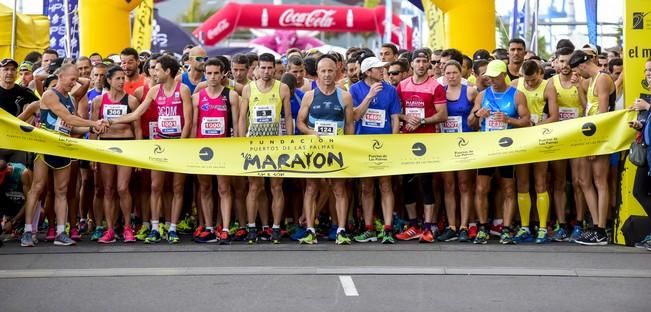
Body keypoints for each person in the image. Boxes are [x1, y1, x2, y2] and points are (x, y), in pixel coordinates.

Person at [20, 64, 109, 247]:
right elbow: (69, 119)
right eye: (72, 79)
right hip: (46, 148)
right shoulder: (50, 95)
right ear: (61, 76)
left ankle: (61, 231)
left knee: (62, 191)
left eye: (76, 79)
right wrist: (93, 123)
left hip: (63, 148)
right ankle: (28, 231)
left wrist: (96, 127)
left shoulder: (69, 98)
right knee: (37, 188)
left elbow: (74, 127)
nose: (74, 83)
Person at [111, 55, 193, 244]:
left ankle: (172, 228)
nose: (153, 72)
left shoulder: (184, 90)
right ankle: (155, 227)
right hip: (160, 143)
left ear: (168, 71)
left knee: (177, 187)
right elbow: (137, 113)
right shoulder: (155, 90)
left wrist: (182, 143)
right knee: (156, 186)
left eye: (157, 69)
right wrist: (112, 121)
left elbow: (188, 121)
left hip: (178, 143)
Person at [467, 60, 531, 245]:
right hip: (486, 147)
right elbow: (471, 122)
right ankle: (482, 227)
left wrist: (509, 119)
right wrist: (478, 115)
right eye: (489, 77)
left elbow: (526, 121)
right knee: (481, 188)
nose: (492, 80)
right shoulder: (482, 95)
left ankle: (506, 229)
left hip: (507, 148)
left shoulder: (517, 95)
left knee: (508, 189)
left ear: (504, 75)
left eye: (495, 77)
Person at [296, 54, 355, 245]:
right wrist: (312, 133)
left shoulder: (344, 96)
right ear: (317, 73)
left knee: (339, 188)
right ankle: (310, 230)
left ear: (337, 72)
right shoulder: (309, 96)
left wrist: (348, 146)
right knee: (312, 187)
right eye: (323, 71)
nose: (327, 75)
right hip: (315, 149)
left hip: (337, 149)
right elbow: (300, 123)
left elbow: (349, 126)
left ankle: (341, 230)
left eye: (331, 71)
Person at [238, 53, 293, 244]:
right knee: (255, 186)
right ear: (257, 68)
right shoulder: (248, 89)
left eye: (270, 68)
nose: (267, 71)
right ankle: (252, 226)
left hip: (276, 145)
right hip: (254, 144)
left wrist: (288, 140)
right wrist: (241, 141)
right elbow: (242, 117)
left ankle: (276, 227)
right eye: (263, 67)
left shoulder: (283, 88)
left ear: (275, 69)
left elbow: (287, 117)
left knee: (276, 187)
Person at [395, 49, 448, 243]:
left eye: (424, 61)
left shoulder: (435, 86)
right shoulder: (402, 85)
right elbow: (395, 112)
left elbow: (442, 115)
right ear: (411, 64)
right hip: (406, 139)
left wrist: (422, 121)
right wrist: (405, 117)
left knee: (426, 182)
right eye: (417, 61)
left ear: (429, 64)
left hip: (427, 140)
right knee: (407, 183)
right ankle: (413, 226)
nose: (421, 64)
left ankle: (427, 228)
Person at [349, 56, 401, 244]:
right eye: (378, 68)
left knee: (386, 184)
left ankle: (387, 228)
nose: (383, 71)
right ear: (367, 72)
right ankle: (369, 227)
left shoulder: (391, 90)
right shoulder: (355, 89)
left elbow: (395, 117)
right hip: (363, 145)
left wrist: (393, 142)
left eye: (383, 68)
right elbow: (354, 115)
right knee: (367, 186)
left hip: (385, 144)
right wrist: (369, 96)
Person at [89, 66, 141, 244]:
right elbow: (94, 129)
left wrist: (138, 154)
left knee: (122, 188)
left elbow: (138, 128)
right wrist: (93, 154)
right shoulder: (98, 101)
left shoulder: (132, 101)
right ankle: (110, 229)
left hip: (126, 146)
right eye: (117, 78)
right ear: (109, 80)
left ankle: (127, 227)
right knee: (108, 189)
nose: (121, 81)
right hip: (106, 146)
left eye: (123, 78)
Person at [570, 50, 616, 246]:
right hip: (591, 135)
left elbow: (603, 114)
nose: (579, 76)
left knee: (600, 181)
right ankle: (597, 225)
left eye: (578, 72)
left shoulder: (603, 79)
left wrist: (596, 144)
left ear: (582, 65)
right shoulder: (592, 80)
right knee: (583, 180)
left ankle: (600, 229)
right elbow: (588, 107)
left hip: (600, 137)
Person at [191, 58, 239, 244]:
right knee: (204, 188)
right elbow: (194, 124)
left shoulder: (231, 96)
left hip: (224, 148)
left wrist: (235, 145)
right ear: (205, 74)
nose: (212, 77)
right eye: (209, 73)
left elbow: (236, 124)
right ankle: (209, 227)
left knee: (223, 188)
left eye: (216, 73)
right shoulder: (198, 97)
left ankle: (225, 228)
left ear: (223, 74)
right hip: (203, 150)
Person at [511, 60, 559, 244]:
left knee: (540, 183)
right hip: (522, 138)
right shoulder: (516, 84)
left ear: (540, 73)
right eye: (526, 79)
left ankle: (542, 227)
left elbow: (554, 116)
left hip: (540, 137)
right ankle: (524, 226)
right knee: (522, 183)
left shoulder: (548, 86)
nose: (529, 83)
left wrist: (536, 127)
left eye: (532, 80)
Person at [548, 47, 587, 242]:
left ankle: (579, 223)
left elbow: (588, 106)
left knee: (579, 182)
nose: (565, 66)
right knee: (559, 182)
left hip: (578, 136)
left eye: (568, 62)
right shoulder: (551, 83)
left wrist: (579, 86)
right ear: (555, 62)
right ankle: (562, 224)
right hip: (558, 136)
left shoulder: (581, 80)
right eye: (561, 61)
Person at [438, 60, 478, 242]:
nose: (452, 76)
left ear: (461, 73)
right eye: (448, 73)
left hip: (465, 143)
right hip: (446, 143)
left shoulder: (469, 91)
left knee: (464, 185)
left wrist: (473, 116)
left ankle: (464, 225)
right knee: (448, 186)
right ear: (444, 75)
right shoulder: (440, 92)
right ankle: (451, 225)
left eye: (455, 73)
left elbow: (476, 114)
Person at [628, 58, 651, 250]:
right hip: (647, 154)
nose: (648, 74)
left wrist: (648, 107)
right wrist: (640, 125)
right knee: (639, 191)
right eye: (646, 71)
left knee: (641, 191)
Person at [0, 58, 39, 165]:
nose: (9, 72)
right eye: (6, 69)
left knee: (19, 176)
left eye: (13, 69)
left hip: (17, 143)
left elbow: (41, 106)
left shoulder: (24, 92)